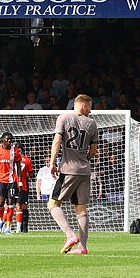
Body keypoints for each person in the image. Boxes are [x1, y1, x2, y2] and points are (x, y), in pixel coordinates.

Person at [48, 93, 97, 255]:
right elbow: (93, 150)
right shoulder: (92, 124)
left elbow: (56, 141)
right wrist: (84, 159)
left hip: (68, 169)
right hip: (85, 171)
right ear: (83, 105)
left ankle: (70, 235)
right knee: (81, 210)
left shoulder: (63, 118)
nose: (90, 111)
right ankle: (82, 247)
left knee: (53, 204)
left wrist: (52, 162)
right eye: (89, 106)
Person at [0, 131, 22, 235]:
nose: (10, 141)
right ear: (3, 139)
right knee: (0, 204)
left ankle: (8, 228)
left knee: (11, 204)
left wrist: (20, 183)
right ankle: (1, 222)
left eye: (11, 139)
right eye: (8, 139)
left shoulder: (15, 151)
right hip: (0, 181)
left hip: (11, 181)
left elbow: (19, 168)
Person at [15, 148, 34, 233]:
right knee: (23, 206)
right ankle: (24, 228)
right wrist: (26, 174)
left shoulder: (12, 158)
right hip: (23, 185)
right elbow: (31, 174)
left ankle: (14, 228)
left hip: (12, 183)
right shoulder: (27, 160)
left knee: (14, 205)